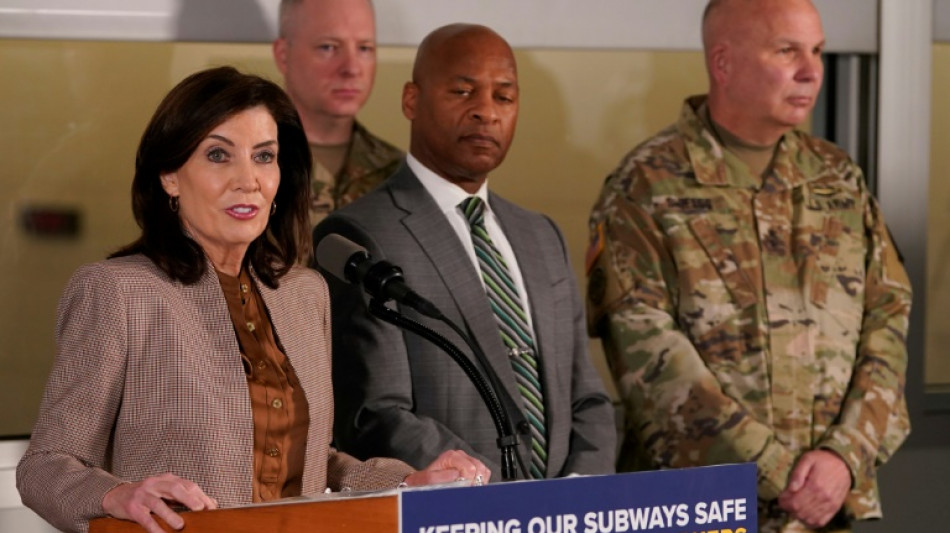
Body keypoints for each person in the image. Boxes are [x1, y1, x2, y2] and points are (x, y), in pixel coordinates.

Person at [15, 66, 489, 533]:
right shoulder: (117, 292)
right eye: (219, 155)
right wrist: (118, 495)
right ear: (170, 177)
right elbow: (45, 466)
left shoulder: (303, 294)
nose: (249, 180)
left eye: (264, 157)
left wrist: (409, 482)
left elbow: (315, 465)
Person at [585, 1, 911, 531]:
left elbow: (888, 316)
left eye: (818, 51)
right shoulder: (646, 187)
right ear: (723, 63)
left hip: (829, 507)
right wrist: (782, 475)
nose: (812, 71)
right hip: (703, 508)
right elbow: (647, 354)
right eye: (787, 51)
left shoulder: (838, 178)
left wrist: (844, 458)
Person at [313, 24, 616, 481]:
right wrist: (502, 499)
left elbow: (587, 398)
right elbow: (377, 414)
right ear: (411, 100)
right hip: (460, 512)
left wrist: (574, 493)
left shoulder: (541, 236)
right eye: (462, 91)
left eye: (504, 97)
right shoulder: (362, 234)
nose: (485, 113)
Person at [273, 0, 403, 225]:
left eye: (364, 48)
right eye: (328, 47)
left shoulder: (401, 174)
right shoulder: (245, 162)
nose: (351, 68)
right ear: (284, 55)